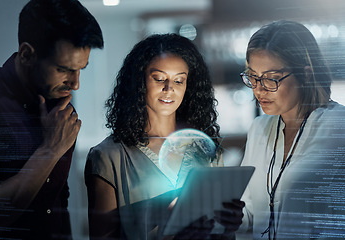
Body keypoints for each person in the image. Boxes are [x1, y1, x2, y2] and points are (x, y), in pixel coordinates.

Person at [85, 33, 245, 240]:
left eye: (179, 81)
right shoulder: (108, 157)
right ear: (139, 82)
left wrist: (229, 225)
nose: (169, 89)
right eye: (159, 78)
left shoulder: (206, 151)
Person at [0, 0, 103, 239]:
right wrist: (51, 149)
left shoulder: (60, 106)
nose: (76, 84)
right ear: (27, 54)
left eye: (81, 68)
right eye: (64, 69)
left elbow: (58, 200)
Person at [238, 20, 345, 239]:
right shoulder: (259, 129)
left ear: (305, 74)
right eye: (252, 76)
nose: (259, 89)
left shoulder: (338, 126)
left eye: (271, 79)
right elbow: (249, 211)